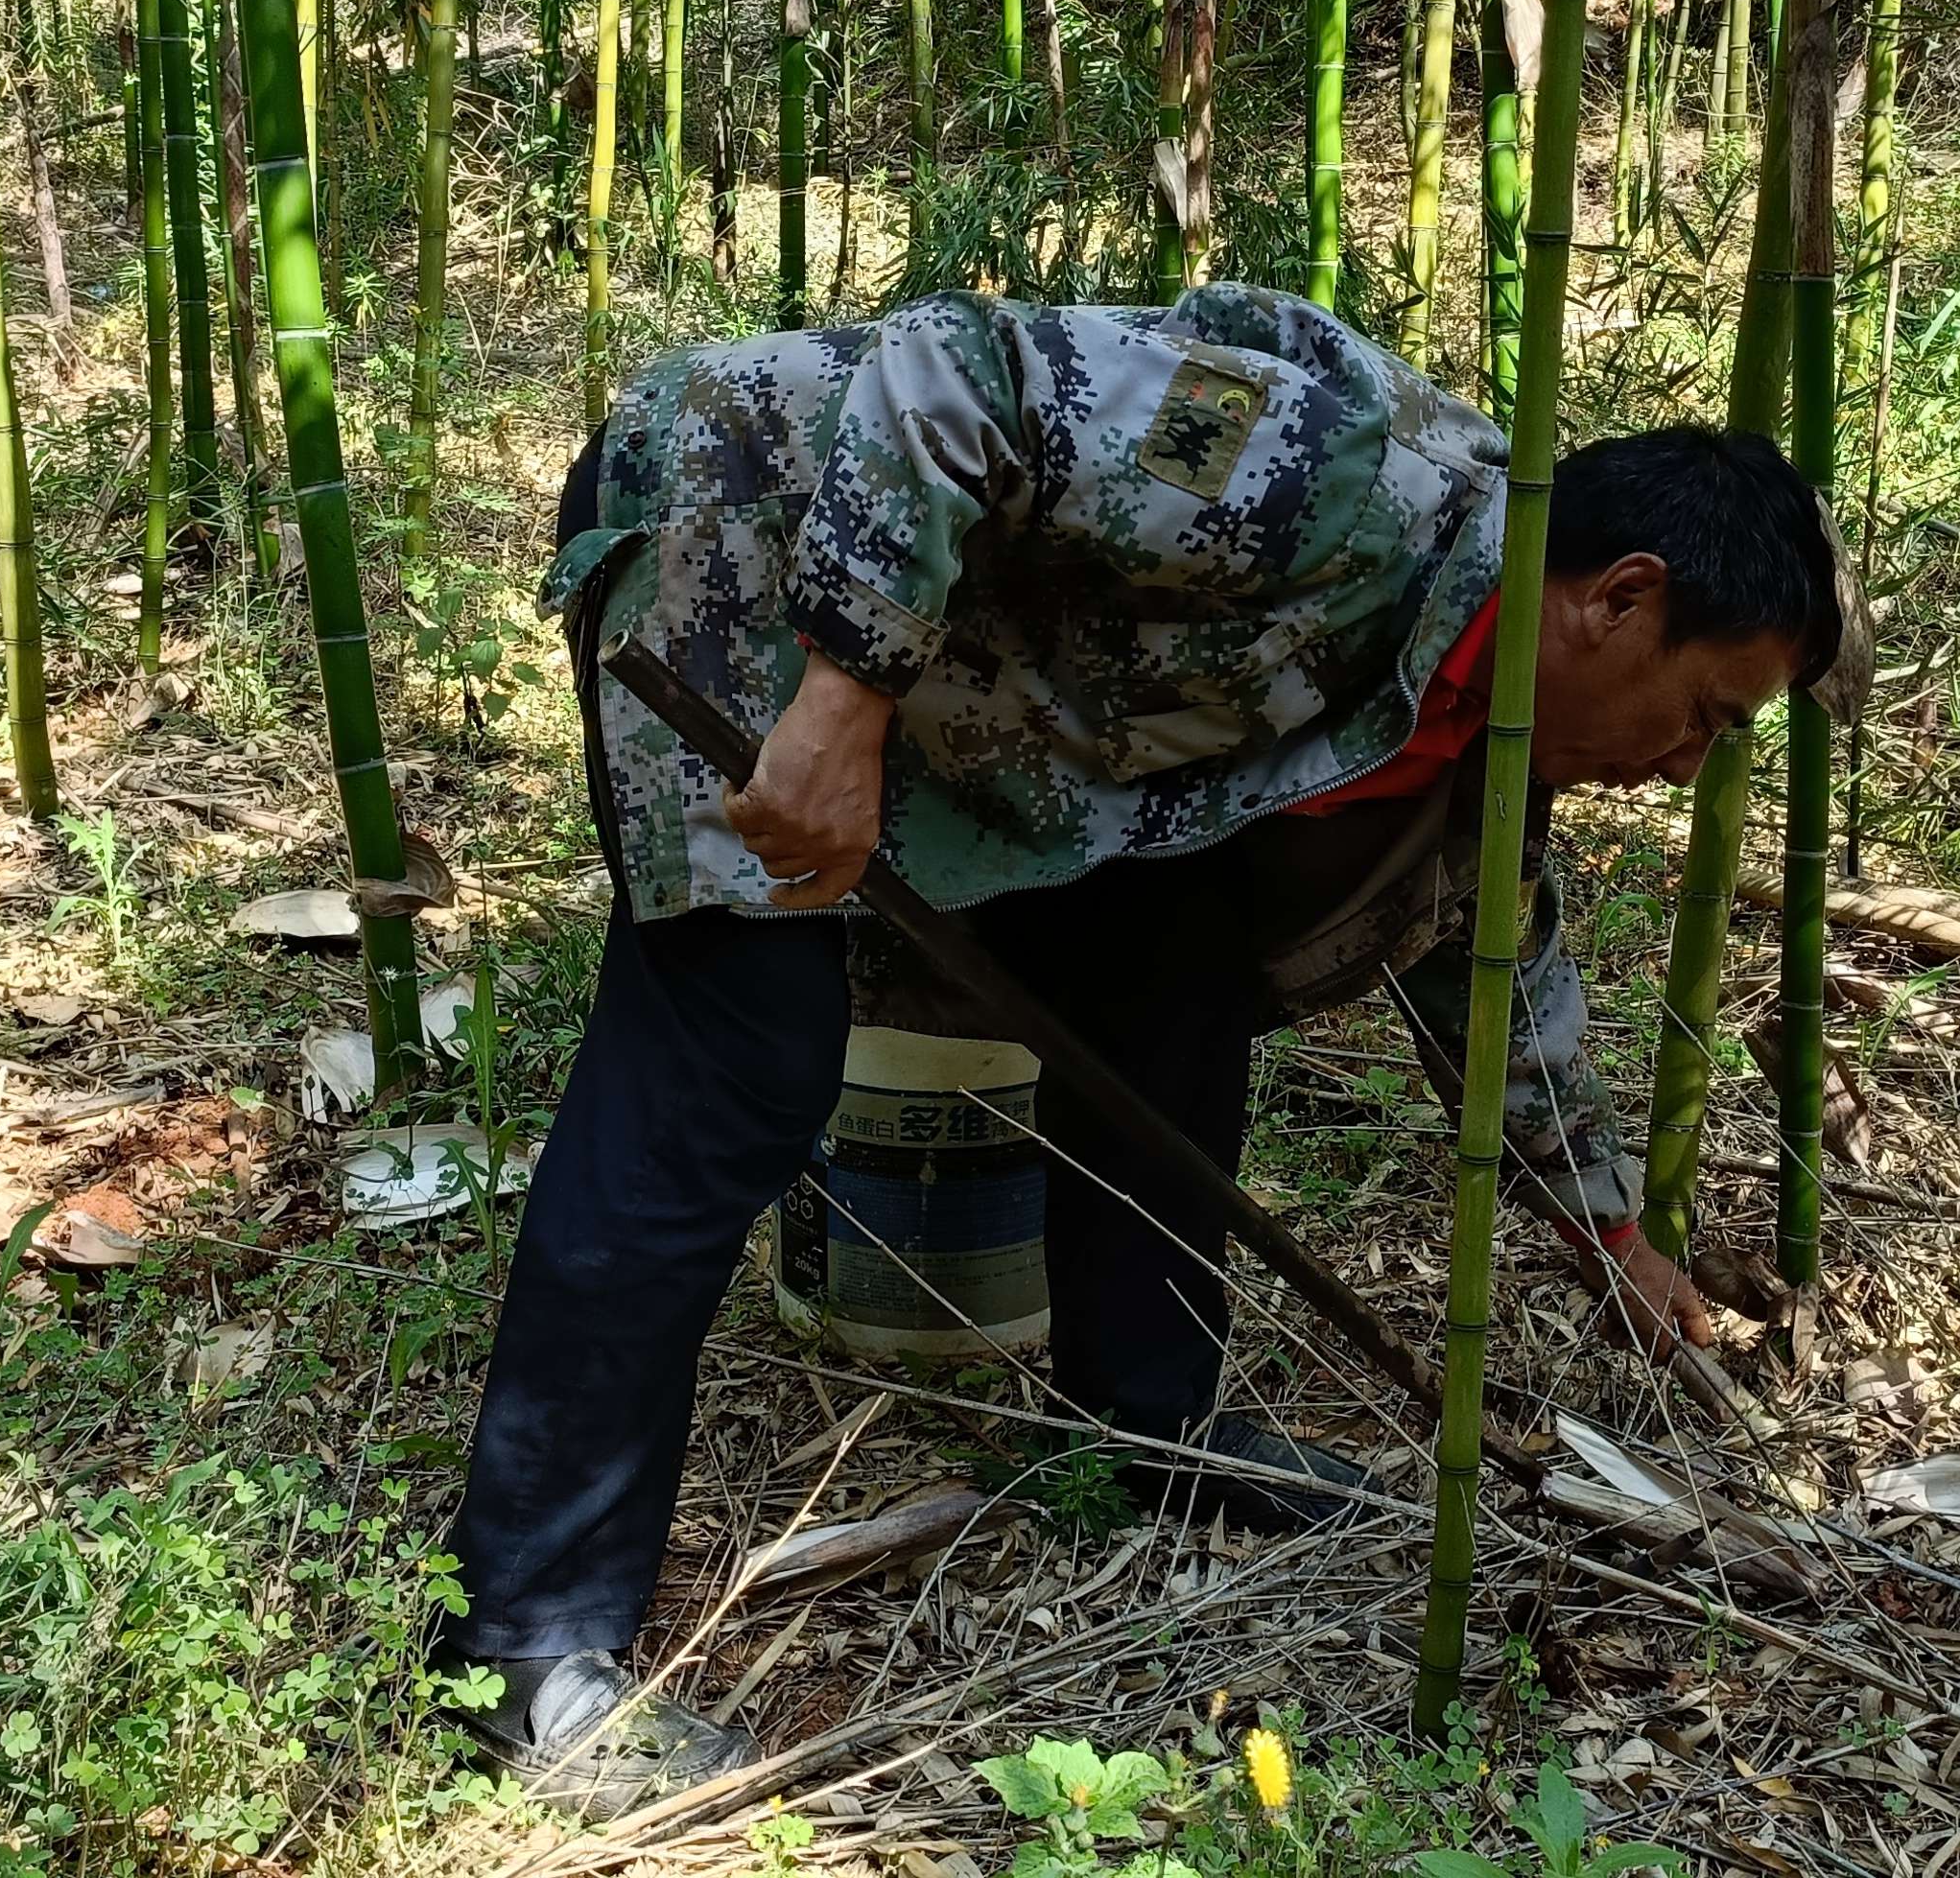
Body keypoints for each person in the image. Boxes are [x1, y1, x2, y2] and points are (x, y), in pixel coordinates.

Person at [430, 282, 1859, 1812]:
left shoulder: (1488, 694)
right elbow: (953, 373)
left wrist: (1609, 1226)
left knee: (1168, 981)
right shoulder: (1330, 476)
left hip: (988, 680)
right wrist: (841, 699)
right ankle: (525, 1647)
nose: (1677, 766)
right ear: (1621, 598)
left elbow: (1492, 940)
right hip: (751, 522)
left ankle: (1149, 1420)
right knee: (732, 1063)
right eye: (1703, 714)